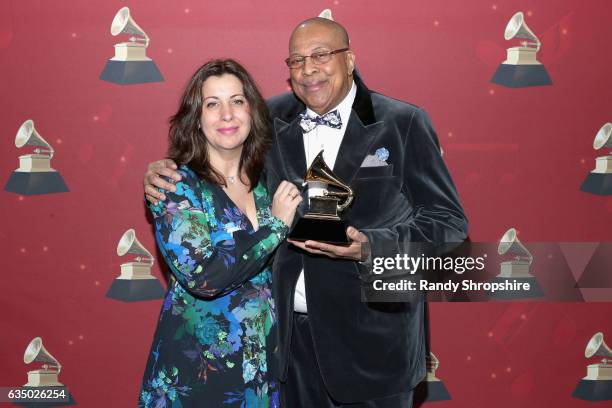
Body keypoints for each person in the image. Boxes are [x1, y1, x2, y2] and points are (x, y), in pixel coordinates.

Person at [145, 18, 468, 408]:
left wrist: (372, 247)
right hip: (286, 353)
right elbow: (217, 153)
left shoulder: (403, 122)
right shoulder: (268, 119)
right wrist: (163, 169)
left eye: (321, 55)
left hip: (375, 349)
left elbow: (447, 222)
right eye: (296, 60)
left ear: (349, 60)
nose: (308, 69)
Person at [138, 59, 302, 408]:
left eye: (237, 101)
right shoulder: (176, 188)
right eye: (212, 104)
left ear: (252, 111)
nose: (227, 114)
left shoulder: (268, 185)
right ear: (196, 118)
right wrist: (276, 227)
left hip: (262, 374)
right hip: (198, 378)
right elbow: (203, 277)